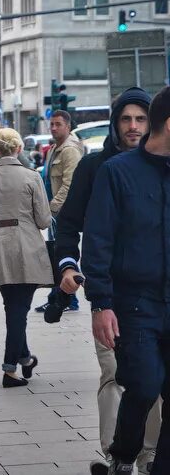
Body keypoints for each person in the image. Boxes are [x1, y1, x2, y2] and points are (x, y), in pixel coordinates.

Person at [50, 89, 160, 474]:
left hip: (155, 296)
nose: (133, 126)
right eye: (126, 119)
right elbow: (69, 226)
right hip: (111, 295)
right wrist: (67, 267)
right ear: (115, 124)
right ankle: (118, 456)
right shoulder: (97, 168)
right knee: (116, 374)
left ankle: (148, 453)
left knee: (153, 380)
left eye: (140, 119)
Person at [82, 86, 170, 475]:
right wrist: (101, 303)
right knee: (145, 385)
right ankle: (122, 455)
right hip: (135, 303)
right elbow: (98, 240)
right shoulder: (117, 172)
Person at [0, 128, 52, 388]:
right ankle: (9, 369)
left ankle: (25, 359)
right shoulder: (31, 177)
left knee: (13, 308)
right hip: (27, 246)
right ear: (18, 149)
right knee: (20, 309)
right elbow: (44, 219)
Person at [34, 110, 85, 313]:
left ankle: (67, 299)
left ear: (68, 126)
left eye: (58, 124)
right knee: (57, 254)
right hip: (54, 211)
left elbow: (69, 185)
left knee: (62, 254)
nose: (54, 128)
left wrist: (52, 208)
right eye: (51, 124)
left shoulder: (70, 150)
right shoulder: (55, 148)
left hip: (63, 212)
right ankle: (58, 297)